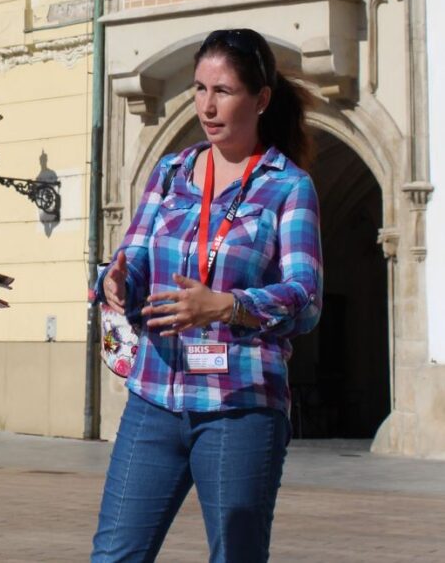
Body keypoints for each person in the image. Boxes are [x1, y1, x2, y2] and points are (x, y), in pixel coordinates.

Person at [91, 28, 322, 562]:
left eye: (223, 91)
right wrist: (115, 278)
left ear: (261, 99)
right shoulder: (171, 171)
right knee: (114, 556)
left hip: (238, 407)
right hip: (155, 398)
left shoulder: (288, 187)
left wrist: (231, 306)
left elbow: (306, 299)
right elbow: (134, 254)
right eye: (199, 89)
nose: (207, 106)